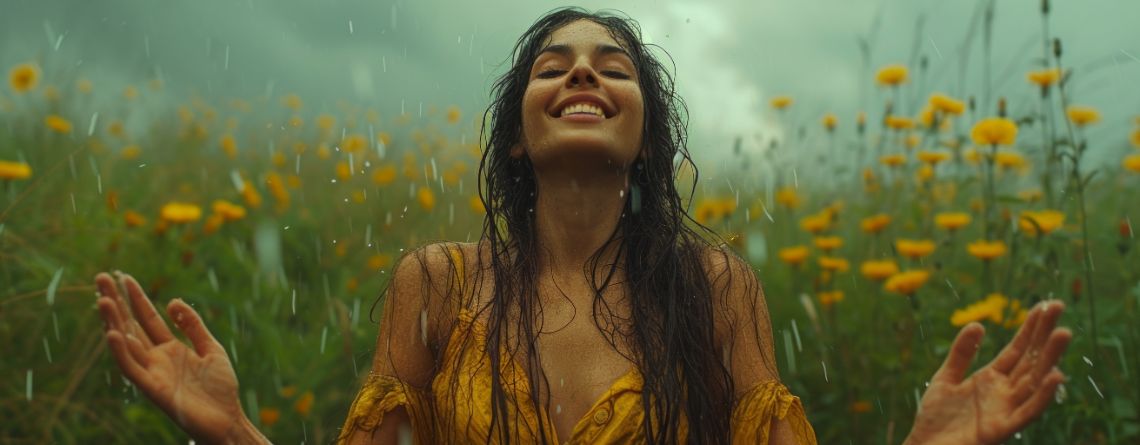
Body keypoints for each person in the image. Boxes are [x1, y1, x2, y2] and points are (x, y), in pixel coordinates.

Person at [92, 7, 1073, 445]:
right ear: (517, 136)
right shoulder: (434, 282)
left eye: (614, 64)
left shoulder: (717, 286)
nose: (582, 73)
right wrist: (235, 433)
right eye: (552, 64)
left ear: (648, 134)